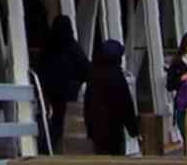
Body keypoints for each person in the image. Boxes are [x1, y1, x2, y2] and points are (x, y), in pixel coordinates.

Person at [35, 14, 89, 153]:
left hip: (51, 89)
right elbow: (84, 67)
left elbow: (39, 66)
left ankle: (47, 146)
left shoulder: (48, 45)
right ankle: (52, 148)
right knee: (62, 119)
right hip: (69, 89)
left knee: (57, 117)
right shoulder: (71, 45)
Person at [84, 38, 139, 156]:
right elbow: (125, 105)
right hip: (114, 129)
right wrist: (133, 129)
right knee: (116, 160)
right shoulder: (117, 75)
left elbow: (87, 104)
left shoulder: (94, 74)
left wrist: (89, 129)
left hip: (97, 129)